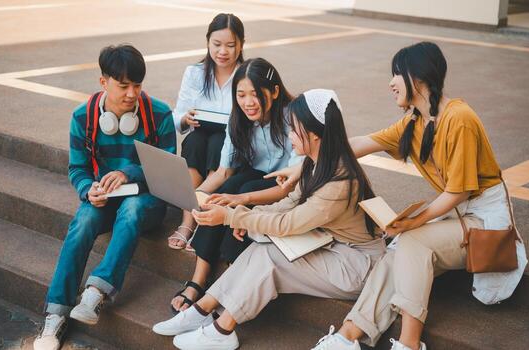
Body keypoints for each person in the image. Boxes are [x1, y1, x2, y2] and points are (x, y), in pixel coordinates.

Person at [273, 42, 525, 350]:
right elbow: (363, 142)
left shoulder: (459, 118)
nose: (391, 83)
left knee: (412, 241)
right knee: (398, 250)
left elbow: (458, 193)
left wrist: (413, 222)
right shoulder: (415, 121)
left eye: (396, 74)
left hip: (485, 219)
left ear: (417, 78)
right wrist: (304, 164)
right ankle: (348, 335)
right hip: (458, 216)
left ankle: (409, 344)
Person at [153, 88, 386, 350]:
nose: (289, 135)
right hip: (333, 245)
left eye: (294, 130)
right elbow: (288, 204)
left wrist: (232, 217)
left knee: (272, 257)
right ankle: (202, 309)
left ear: (315, 135)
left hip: (358, 265)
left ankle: (222, 329)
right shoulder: (317, 161)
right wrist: (245, 216)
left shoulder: (339, 183)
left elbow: (288, 223)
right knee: (262, 248)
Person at [33, 44, 177, 350]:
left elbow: (167, 170)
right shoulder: (82, 117)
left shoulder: (160, 114)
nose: (131, 93)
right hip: (105, 198)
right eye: (123, 86)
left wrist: (129, 173)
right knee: (82, 222)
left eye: (137, 85)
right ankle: (55, 315)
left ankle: (96, 292)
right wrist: (89, 189)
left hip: (146, 199)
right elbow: (77, 169)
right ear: (103, 82)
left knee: (133, 209)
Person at [165, 57, 302, 315]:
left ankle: (228, 286)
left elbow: (287, 188)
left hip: (288, 187)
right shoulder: (237, 118)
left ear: (273, 91)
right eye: (241, 94)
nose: (248, 102)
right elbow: (223, 171)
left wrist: (240, 199)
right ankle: (198, 279)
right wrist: (198, 196)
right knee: (223, 191)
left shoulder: (292, 118)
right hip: (254, 178)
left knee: (239, 192)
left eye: (255, 94)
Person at [169, 13, 245, 251]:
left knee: (217, 142)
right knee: (194, 141)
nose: (223, 51)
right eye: (217, 44)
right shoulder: (195, 72)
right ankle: (188, 221)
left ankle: (204, 218)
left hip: (232, 144)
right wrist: (185, 117)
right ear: (208, 42)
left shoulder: (246, 74)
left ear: (241, 45)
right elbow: (177, 115)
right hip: (199, 138)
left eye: (230, 45)